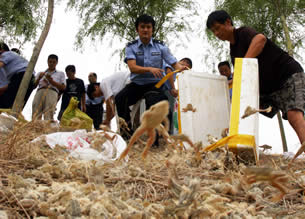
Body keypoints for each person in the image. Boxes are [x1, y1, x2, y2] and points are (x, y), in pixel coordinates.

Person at [206, 10, 305, 155]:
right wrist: (229, 83)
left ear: (228, 22)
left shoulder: (243, 32)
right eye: (213, 31)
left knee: (293, 114)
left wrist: (244, 65)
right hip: (268, 89)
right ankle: (237, 146)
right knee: (244, 109)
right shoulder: (233, 51)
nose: (216, 33)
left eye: (217, 28)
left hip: (287, 75)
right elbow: (242, 75)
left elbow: (260, 39)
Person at [115, 14, 186, 131]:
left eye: (148, 27)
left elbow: (174, 64)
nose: (145, 30)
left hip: (155, 85)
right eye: (142, 27)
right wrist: (149, 69)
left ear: (152, 29)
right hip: (137, 84)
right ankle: (126, 132)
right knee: (120, 98)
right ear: (137, 29)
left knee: (154, 102)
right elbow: (132, 68)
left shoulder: (161, 46)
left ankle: (155, 138)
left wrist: (182, 69)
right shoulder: (131, 47)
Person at [0, 42, 35, 109]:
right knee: (15, 106)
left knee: (5, 103)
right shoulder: (14, 62)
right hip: (30, 79)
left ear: (1, 50)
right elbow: (10, 85)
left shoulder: (6, 54)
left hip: (22, 75)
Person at [32, 54, 66, 120]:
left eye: (54, 62)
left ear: (57, 63)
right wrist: (39, 78)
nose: (51, 64)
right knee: (35, 111)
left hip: (52, 92)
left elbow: (63, 87)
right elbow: (33, 86)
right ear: (47, 61)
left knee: (49, 113)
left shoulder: (61, 73)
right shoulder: (40, 73)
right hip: (40, 91)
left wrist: (52, 81)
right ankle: (35, 128)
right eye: (50, 62)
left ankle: (47, 129)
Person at [163, 58, 193, 134]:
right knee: (168, 112)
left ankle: (168, 133)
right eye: (183, 64)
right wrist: (173, 88)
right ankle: (168, 133)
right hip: (160, 89)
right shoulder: (173, 64)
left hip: (165, 90)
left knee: (169, 112)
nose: (184, 69)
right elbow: (168, 71)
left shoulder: (177, 73)